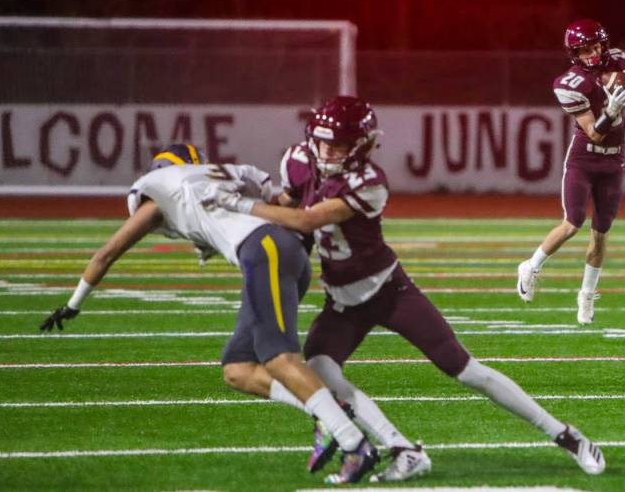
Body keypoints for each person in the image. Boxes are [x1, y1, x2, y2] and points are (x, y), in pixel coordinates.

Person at [205, 96, 606, 477]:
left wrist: (237, 205)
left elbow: (309, 220)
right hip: (341, 302)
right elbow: (290, 206)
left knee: (466, 370)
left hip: (388, 292)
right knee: (320, 371)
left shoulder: (369, 181)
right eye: (324, 143)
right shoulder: (297, 159)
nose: (328, 153)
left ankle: (566, 435)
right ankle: (402, 450)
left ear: (361, 146)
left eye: (340, 145)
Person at [38, 143, 380, 484]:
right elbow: (285, 201)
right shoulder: (222, 174)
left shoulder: (158, 188)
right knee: (238, 369)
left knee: (279, 359)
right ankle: (326, 409)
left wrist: (73, 304)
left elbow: (106, 254)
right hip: (281, 253)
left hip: (265, 253)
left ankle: (354, 442)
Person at [517, 19, 625, 324]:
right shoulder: (569, 84)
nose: (590, 53)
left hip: (614, 160)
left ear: (604, 44)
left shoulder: (623, 61)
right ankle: (531, 266)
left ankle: (587, 296)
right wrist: (612, 111)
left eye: (594, 46)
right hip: (584, 159)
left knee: (601, 234)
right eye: (582, 49)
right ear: (573, 53)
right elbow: (594, 133)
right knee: (573, 222)